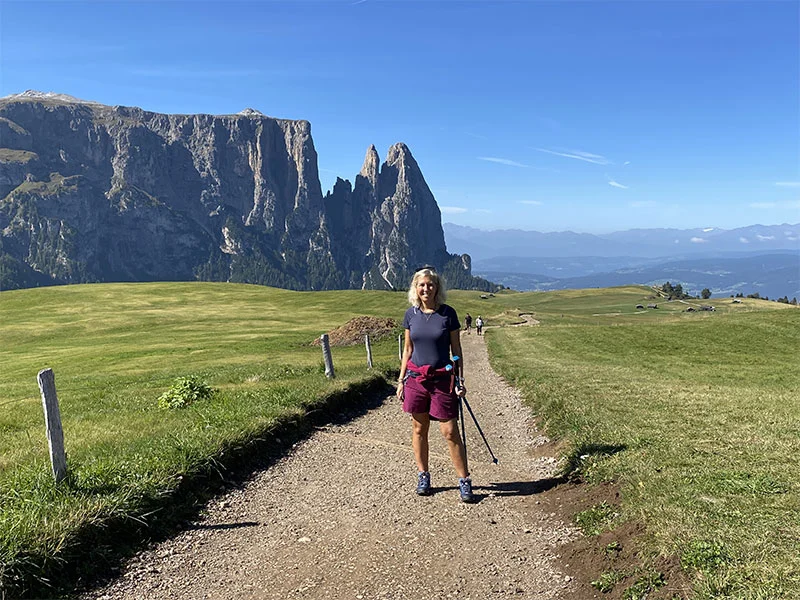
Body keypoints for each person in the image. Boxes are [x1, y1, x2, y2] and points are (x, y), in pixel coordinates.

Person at [396, 267, 476, 503]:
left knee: (450, 431)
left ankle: (464, 480)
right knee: (419, 428)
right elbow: (408, 350)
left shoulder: (448, 314)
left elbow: (456, 351)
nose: (426, 289)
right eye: (422, 285)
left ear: (437, 287)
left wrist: (460, 381)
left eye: (430, 284)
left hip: (442, 379)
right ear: (415, 288)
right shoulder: (410, 315)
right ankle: (423, 475)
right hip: (416, 379)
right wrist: (401, 380)